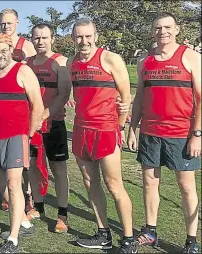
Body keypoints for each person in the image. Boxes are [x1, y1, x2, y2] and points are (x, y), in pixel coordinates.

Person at [128, 13, 200, 253]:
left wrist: (197, 134)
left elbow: (200, 99)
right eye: (158, 28)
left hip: (181, 133)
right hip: (150, 131)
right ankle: (150, 231)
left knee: (186, 186)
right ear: (152, 31)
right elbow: (139, 98)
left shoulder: (190, 57)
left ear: (177, 29)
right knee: (149, 182)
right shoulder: (144, 61)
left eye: (168, 27)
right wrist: (132, 128)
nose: (163, 32)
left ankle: (191, 241)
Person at [68, 18, 136, 252]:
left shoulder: (110, 59)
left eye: (88, 36)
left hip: (106, 130)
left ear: (95, 36)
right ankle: (102, 233)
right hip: (80, 129)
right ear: (73, 38)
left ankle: (128, 239)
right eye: (79, 36)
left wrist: (119, 128)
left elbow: (125, 99)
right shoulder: (72, 62)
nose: (83, 41)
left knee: (114, 184)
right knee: (90, 182)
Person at [0, 33, 43, 253]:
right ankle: (24, 222)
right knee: (0, 181)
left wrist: (28, 134)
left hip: (16, 136)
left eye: (3, 51)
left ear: (11, 50)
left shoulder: (23, 70)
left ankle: (13, 239)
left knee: (13, 183)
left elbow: (37, 105)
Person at [25, 23, 72, 233]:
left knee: (58, 170)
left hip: (54, 124)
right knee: (33, 166)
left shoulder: (60, 62)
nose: (40, 42)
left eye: (44, 38)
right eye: (36, 38)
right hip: (31, 126)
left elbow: (63, 95)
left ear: (52, 38)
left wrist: (43, 114)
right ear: (31, 39)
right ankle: (38, 207)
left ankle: (62, 214)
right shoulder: (26, 64)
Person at [0, 8, 37, 213]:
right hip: (3, 110)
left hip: (24, 108)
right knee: (6, 158)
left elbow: (33, 74)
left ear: (17, 22)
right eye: (3, 23)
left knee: (25, 160)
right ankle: (11, 195)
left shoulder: (26, 45)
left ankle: (28, 195)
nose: (6, 26)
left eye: (9, 23)